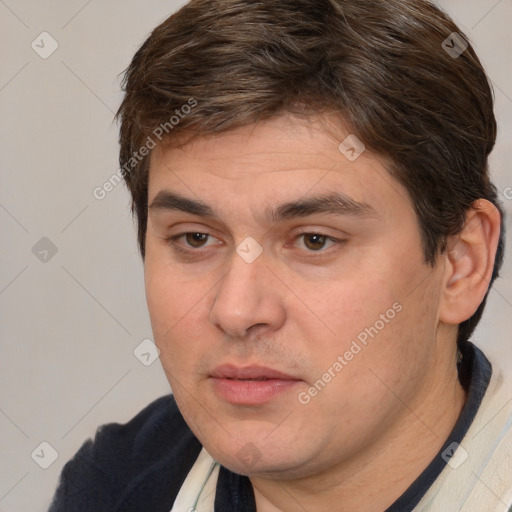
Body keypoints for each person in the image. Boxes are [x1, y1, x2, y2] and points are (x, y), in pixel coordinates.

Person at [49, 0, 512, 510]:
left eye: (314, 240)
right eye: (195, 238)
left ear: (459, 265)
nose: (237, 311)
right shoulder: (115, 483)